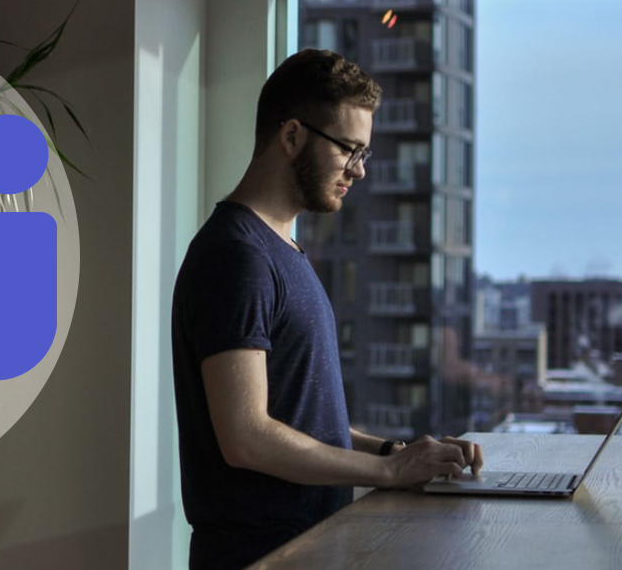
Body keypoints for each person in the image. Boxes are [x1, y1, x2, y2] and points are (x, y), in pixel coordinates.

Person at [171, 49, 485, 570]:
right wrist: (387, 474)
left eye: (364, 154)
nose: (358, 171)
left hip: (305, 549)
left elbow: (297, 420)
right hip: (258, 555)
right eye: (349, 150)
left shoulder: (280, 251)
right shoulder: (237, 256)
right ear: (292, 136)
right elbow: (247, 437)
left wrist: (393, 453)